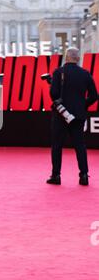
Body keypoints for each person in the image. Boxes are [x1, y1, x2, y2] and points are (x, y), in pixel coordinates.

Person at [47, 47, 98, 186]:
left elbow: (53, 94)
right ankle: (84, 175)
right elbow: (94, 95)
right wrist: (83, 105)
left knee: (57, 145)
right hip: (79, 114)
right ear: (78, 58)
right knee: (80, 146)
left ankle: (56, 175)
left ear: (66, 57)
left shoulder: (58, 72)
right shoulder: (85, 74)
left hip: (60, 114)